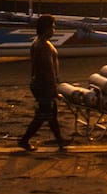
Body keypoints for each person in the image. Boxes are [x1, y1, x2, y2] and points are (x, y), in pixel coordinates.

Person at [17, 14, 69, 151]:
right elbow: (48, 70)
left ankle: (60, 140)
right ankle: (24, 140)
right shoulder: (44, 46)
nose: (54, 31)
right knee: (42, 116)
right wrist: (54, 90)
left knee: (51, 114)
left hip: (38, 83)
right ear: (46, 28)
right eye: (53, 27)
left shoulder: (38, 42)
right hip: (43, 85)